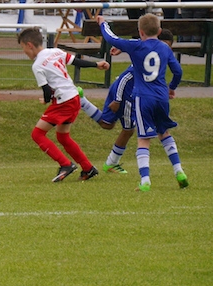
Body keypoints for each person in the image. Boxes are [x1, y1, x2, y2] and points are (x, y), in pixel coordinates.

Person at [99, 14, 188, 192]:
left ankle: (145, 180)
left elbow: (111, 38)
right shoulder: (165, 48)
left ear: (140, 32)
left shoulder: (136, 46)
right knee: (164, 133)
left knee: (144, 138)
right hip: (161, 97)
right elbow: (178, 71)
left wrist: (103, 24)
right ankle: (179, 171)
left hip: (143, 97)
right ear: (160, 31)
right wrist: (171, 88)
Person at [17, 27, 109, 182]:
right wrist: (96, 64)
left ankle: (65, 164)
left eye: (23, 48)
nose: (24, 52)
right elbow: (76, 62)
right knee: (62, 136)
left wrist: (45, 100)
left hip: (64, 102)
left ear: (29, 45)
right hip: (74, 98)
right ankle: (88, 168)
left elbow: (47, 91)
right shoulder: (55, 51)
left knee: (37, 134)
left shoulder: (37, 65)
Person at [78, 29, 175, 176]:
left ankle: (82, 101)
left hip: (124, 92)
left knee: (107, 124)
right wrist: (117, 100)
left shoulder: (153, 56)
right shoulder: (145, 61)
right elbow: (125, 78)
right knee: (128, 130)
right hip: (125, 94)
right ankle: (111, 163)